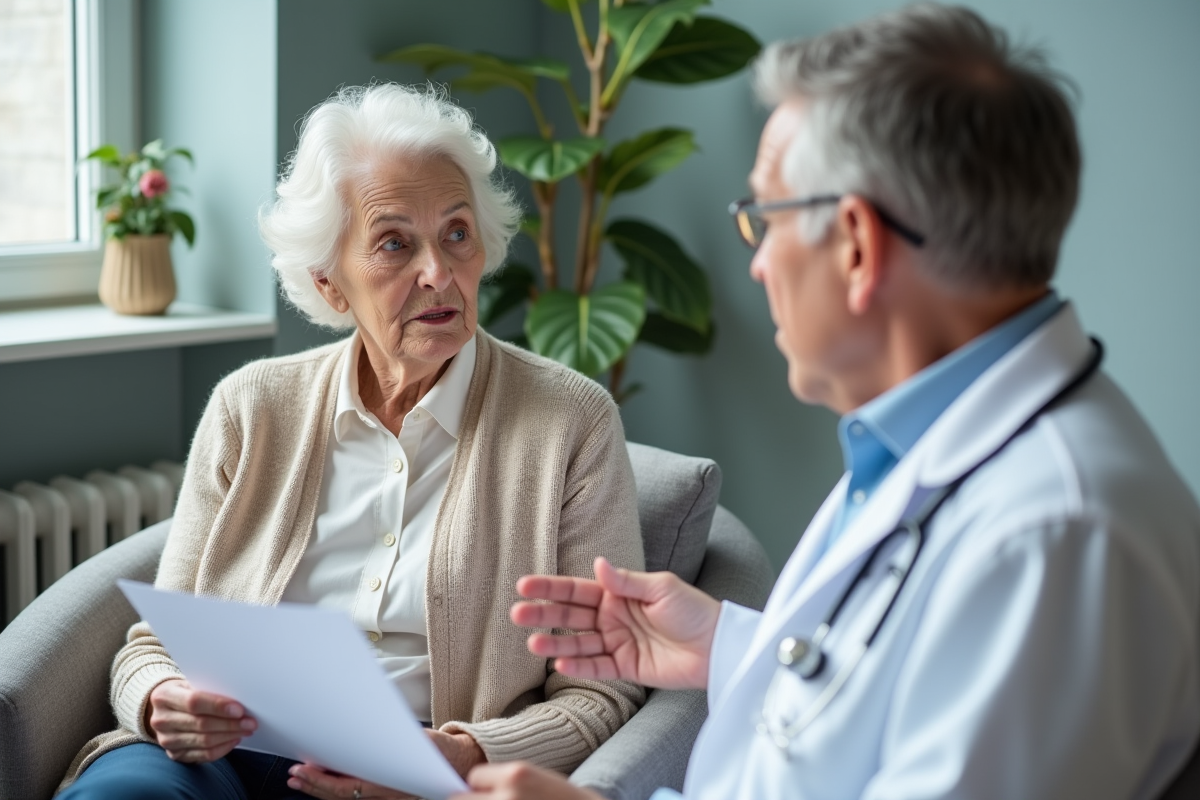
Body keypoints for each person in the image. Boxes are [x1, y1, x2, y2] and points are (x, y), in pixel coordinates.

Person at [451, 5, 1200, 800]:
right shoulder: (925, 440)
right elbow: (891, 690)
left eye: (764, 220)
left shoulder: (1052, 537)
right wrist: (733, 646)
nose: (758, 265)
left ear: (856, 244)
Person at [57, 84, 645, 800]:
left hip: (419, 769)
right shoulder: (251, 407)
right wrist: (162, 700)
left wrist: (458, 757)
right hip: (225, 754)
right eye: (395, 243)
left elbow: (602, 694)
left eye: (457, 233)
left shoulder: (571, 423)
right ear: (330, 285)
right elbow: (155, 642)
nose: (438, 272)